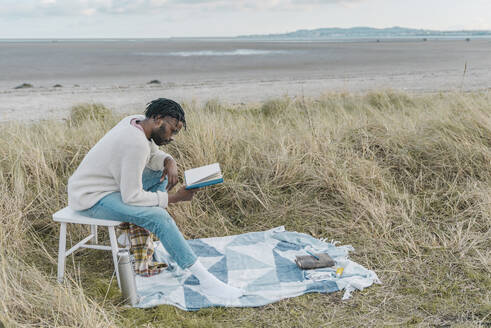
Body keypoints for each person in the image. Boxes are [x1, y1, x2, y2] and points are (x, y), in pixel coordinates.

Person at [67, 98, 243, 300]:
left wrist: (169, 160)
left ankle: (127, 236)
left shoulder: (134, 121)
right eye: (173, 130)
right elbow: (132, 196)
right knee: (159, 218)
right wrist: (175, 198)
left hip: (103, 187)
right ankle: (207, 281)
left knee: (160, 174)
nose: (173, 137)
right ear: (158, 119)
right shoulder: (136, 144)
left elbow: (151, 155)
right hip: (91, 198)